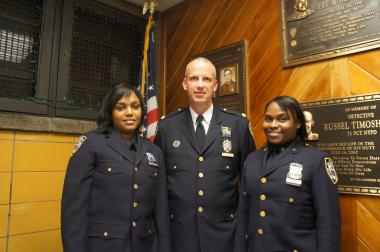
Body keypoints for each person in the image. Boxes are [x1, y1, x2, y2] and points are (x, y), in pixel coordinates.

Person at [154, 57, 256, 252]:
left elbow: (249, 183)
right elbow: (158, 185)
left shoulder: (237, 125)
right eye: (194, 78)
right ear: (185, 83)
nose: (200, 85)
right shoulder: (167, 126)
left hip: (225, 236)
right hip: (179, 236)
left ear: (215, 85)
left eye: (207, 79)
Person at [61, 83, 171, 252]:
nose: (129, 113)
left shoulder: (154, 151)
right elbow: (74, 210)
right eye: (121, 107)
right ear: (110, 112)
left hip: (146, 246)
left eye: (135, 107)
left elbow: (161, 211)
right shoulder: (91, 144)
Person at [235, 96, 340, 252]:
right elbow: (243, 216)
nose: (273, 125)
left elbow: (328, 225)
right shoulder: (252, 160)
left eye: (282, 119)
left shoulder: (316, 161)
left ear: (297, 123)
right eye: (268, 119)